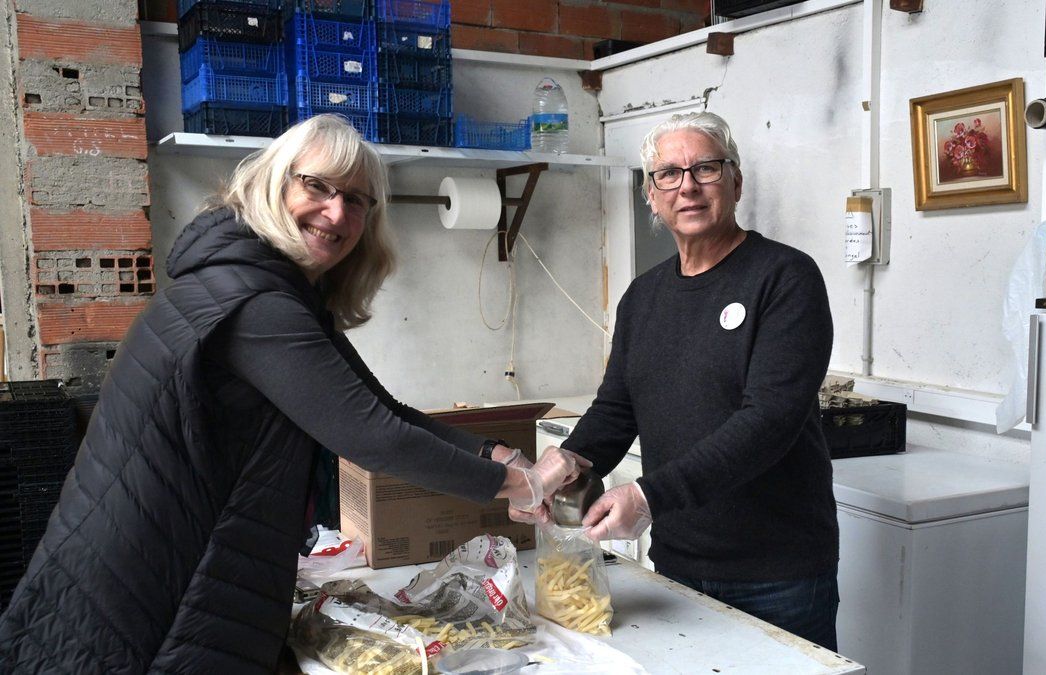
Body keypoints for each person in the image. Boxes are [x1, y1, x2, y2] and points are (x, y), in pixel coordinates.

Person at [0, 114, 579, 673]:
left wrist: (495, 456)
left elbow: (381, 409)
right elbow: (373, 436)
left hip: (162, 564)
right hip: (148, 588)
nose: (336, 212)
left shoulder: (267, 289)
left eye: (356, 199)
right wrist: (514, 486)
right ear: (274, 183)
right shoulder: (252, 301)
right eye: (317, 186)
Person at [529, 112, 839, 650]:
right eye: (668, 174)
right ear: (652, 196)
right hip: (674, 562)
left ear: (736, 182)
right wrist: (566, 466)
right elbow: (617, 408)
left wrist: (649, 497)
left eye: (706, 169)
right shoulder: (643, 298)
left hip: (777, 572)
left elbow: (770, 420)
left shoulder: (785, 278)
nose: (688, 186)